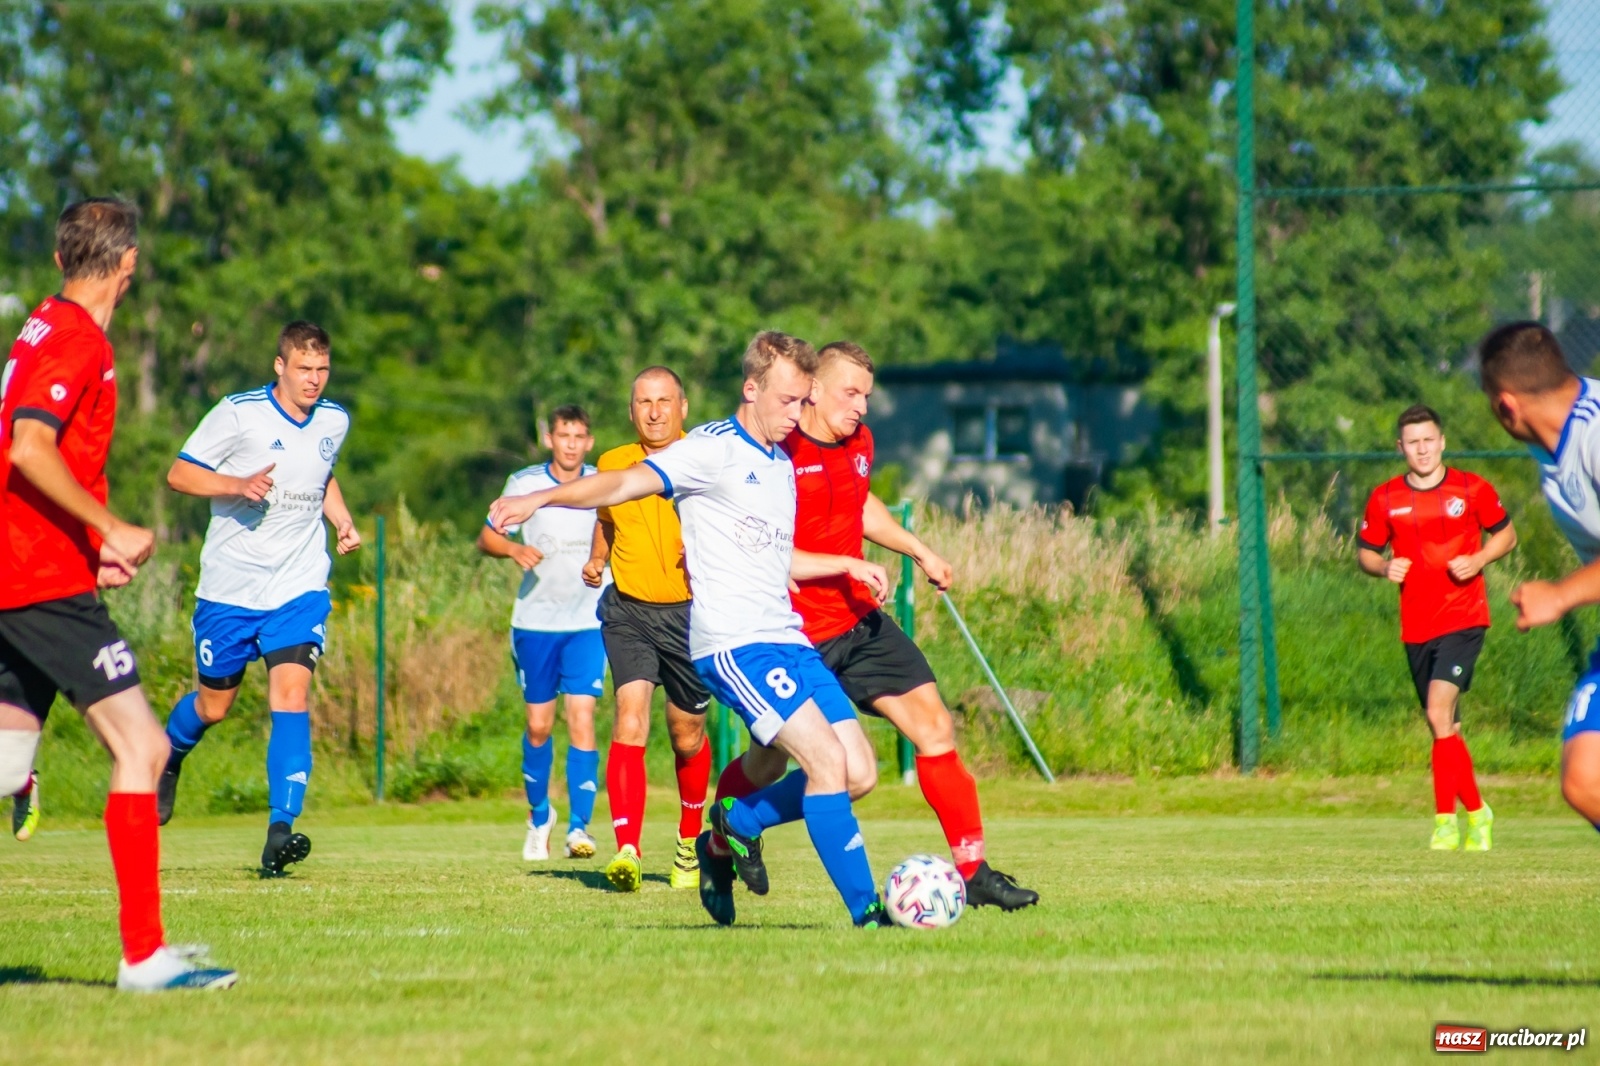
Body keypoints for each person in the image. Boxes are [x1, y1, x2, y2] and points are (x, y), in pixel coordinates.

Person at [490, 331, 891, 927]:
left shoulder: (779, 462)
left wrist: (846, 564)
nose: (798, 413)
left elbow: (773, 555)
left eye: (804, 400)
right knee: (826, 764)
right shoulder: (712, 449)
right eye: (788, 400)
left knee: (860, 772)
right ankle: (869, 912)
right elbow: (622, 483)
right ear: (751, 389)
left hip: (788, 639)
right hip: (735, 644)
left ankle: (735, 823)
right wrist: (541, 499)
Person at [0, 197, 236, 990]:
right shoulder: (76, 339)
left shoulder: (40, 323)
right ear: (128, 263)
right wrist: (108, 525)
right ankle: (144, 957)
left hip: (25, 569)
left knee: (6, 763)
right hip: (38, 581)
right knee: (144, 747)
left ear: (62, 258)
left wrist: (86, 543)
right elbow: (29, 448)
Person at [712, 340, 1039, 909]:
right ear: (813, 390)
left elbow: (860, 505)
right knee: (770, 762)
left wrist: (919, 550)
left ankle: (973, 871)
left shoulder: (858, 441)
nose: (861, 406)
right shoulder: (775, 451)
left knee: (935, 728)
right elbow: (748, 539)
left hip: (857, 621)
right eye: (851, 393)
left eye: (867, 395)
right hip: (791, 635)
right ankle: (720, 844)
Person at [156, 321, 359, 877]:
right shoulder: (238, 413)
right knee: (214, 706)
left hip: (298, 586)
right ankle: (167, 756)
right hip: (230, 589)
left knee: (291, 696)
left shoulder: (334, 420)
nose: (314, 379)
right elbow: (179, 474)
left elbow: (321, 475)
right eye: (303, 368)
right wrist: (235, 485)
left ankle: (279, 831)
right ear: (280, 366)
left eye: (322, 369)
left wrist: (341, 520)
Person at [1356, 404, 1516, 851]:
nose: (1422, 449)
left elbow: (1507, 534)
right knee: (1446, 729)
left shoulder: (1472, 487)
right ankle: (1478, 813)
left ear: (1442, 442)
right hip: (1417, 625)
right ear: (1401, 447)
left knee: (1436, 711)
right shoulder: (1385, 497)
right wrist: (1383, 566)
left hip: (1464, 618)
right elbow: (1366, 551)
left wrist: (1479, 559)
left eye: (1429, 440)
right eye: (1413, 442)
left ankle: (1445, 822)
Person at [580, 366, 713, 892]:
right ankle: (627, 850)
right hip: (629, 611)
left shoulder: (706, 459)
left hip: (691, 616)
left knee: (686, 734)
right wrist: (597, 559)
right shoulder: (614, 463)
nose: (654, 412)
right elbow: (606, 520)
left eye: (664, 401)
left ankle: (688, 843)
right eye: (643, 402)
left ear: (683, 407)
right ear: (631, 410)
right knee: (629, 718)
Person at [1477, 322, 1600, 833]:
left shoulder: (1596, 435)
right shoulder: (1554, 444)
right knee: (1585, 779)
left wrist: (1561, 595)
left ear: (1506, 405)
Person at [478, 405, 607, 863]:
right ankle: (539, 817)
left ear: (589, 442)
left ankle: (579, 828)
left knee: (582, 718)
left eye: (579, 436)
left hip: (588, 622)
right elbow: (487, 537)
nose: (571, 444)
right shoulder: (524, 483)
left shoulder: (603, 483)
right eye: (563, 435)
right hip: (535, 624)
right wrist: (513, 550)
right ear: (549, 439)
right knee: (538, 726)